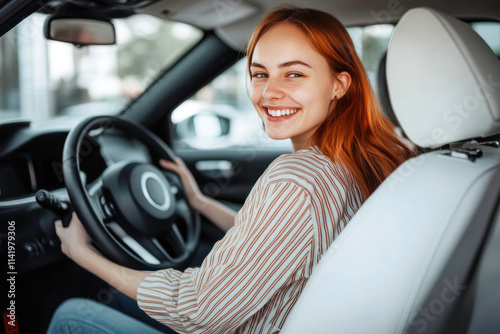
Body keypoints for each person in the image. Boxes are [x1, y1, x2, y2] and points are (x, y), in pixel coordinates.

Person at [47, 5, 416, 334]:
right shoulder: (371, 160)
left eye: (293, 75)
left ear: (340, 84)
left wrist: (84, 255)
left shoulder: (296, 179)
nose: (269, 93)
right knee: (115, 296)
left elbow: (196, 312)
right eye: (259, 74)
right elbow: (284, 241)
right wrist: (199, 201)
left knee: (72, 314)